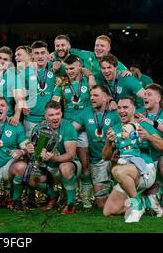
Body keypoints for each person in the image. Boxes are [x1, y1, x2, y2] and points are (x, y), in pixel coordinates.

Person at [102, 97, 163, 223]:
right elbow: (105, 157)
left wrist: (149, 137)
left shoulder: (143, 125)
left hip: (145, 170)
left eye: (125, 107)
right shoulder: (115, 129)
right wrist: (108, 143)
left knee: (117, 171)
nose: (121, 111)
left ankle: (137, 206)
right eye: (119, 108)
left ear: (134, 109)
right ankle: (146, 202)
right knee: (108, 211)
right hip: (127, 173)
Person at [52, 54, 96, 208]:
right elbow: (55, 104)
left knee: (85, 164)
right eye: (67, 68)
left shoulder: (88, 82)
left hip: (84, 129)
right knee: (65, 162)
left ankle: (85, 197)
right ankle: (68, 195)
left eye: (72, 68)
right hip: (67, 129)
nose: (69, 71)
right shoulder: (62, 84)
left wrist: (90, 76)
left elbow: (95, 99)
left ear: (80, 67)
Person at [28, 100, 81, 214]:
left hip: (70, 165)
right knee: (31, 177)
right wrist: (31, 150)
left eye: (57, 114)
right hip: (49, 167)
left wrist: (53, 158)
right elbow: (35, 155)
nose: (55, 117)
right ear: (45, 116)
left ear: (61, 114)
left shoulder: (68, 127)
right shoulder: (39, 128)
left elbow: (70, 156)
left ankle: (70, 203)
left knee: (65, 167)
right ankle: (53, 196)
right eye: (51, 115)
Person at [72, 85, 121, 208]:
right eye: (91, 95)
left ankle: (117, 186)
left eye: (95, 95)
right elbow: (72, 129)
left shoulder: (115, 113)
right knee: (101, 204)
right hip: (97, 162)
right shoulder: (86, 112)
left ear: (105, 98)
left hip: (114, 159)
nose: (92, 98)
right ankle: (107, 188)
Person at [136, 84, 163, 215]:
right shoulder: (139, 114)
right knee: (149, 204)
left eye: (149, 94)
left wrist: (152, 123)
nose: (145, 97)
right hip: (145, 157)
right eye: (145, 95)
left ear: (158, 99)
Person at [22, 41, 57, 137]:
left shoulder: (55, 68)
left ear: (47, 54)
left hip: (50, 118)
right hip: (30, 119)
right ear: (32, 55)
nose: (40, 56)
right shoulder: (25, 72)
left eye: (43, 53)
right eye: (37, 53)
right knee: (31, 148)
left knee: (50, 148)